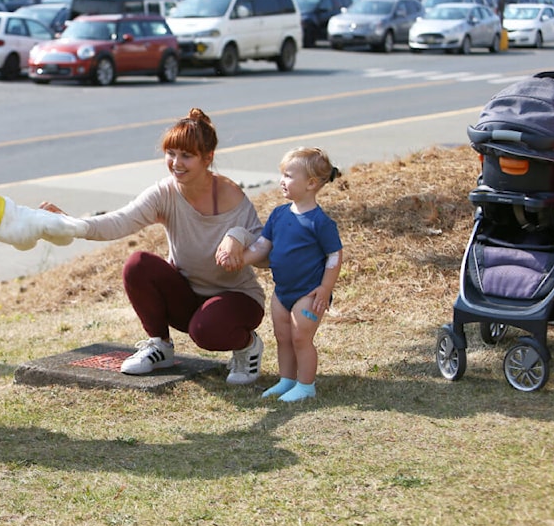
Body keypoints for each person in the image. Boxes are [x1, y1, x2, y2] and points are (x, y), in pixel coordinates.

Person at [40, 108, 267, 384]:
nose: (176, 163)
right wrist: (71, 225)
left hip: (237, 299)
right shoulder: (165, 192)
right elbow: (119, 222)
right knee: (138, 264)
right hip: (188, 298)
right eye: (171, 153)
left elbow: (265, 251)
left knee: (206, 331)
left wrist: (237, 235)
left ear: (208, 158)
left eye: (187, 155)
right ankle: (160, 345)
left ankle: (247, 346)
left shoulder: (230, 195)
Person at [217, 147, 343, 402]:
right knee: (283, 336)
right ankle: (287, 380)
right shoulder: (279, 214)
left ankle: (306, 386)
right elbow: (263, 246)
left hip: (309, 294)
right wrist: (239, 260)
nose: (282, 181)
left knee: (300, 337)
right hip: (282, 291)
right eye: (282, 175)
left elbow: (335, 256)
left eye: (288, 175)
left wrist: (325, 288)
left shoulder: (321, 222)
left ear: (310, 183)